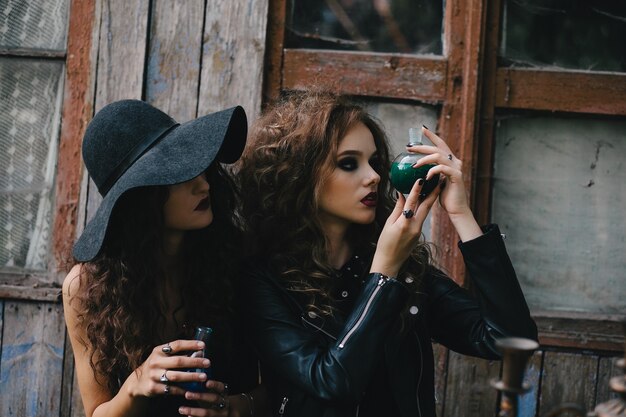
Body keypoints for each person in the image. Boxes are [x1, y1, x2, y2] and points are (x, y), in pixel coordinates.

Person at [236, 90, 537, 417]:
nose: (375, 177)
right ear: (298, 174)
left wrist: (461, 214)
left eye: (375, 162)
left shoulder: (402, 266)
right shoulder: (262, 278)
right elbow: (332, 382)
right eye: (348, 163)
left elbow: (509, 340)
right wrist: (383, 276)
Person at [63, 100, 263, 417]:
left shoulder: (235, 259)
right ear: (139, 197)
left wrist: (237, 407)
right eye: (179, 174)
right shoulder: (87, 287)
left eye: (198, 167)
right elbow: (97, 412)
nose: (204, 184)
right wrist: (137, 385)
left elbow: (285, 387)